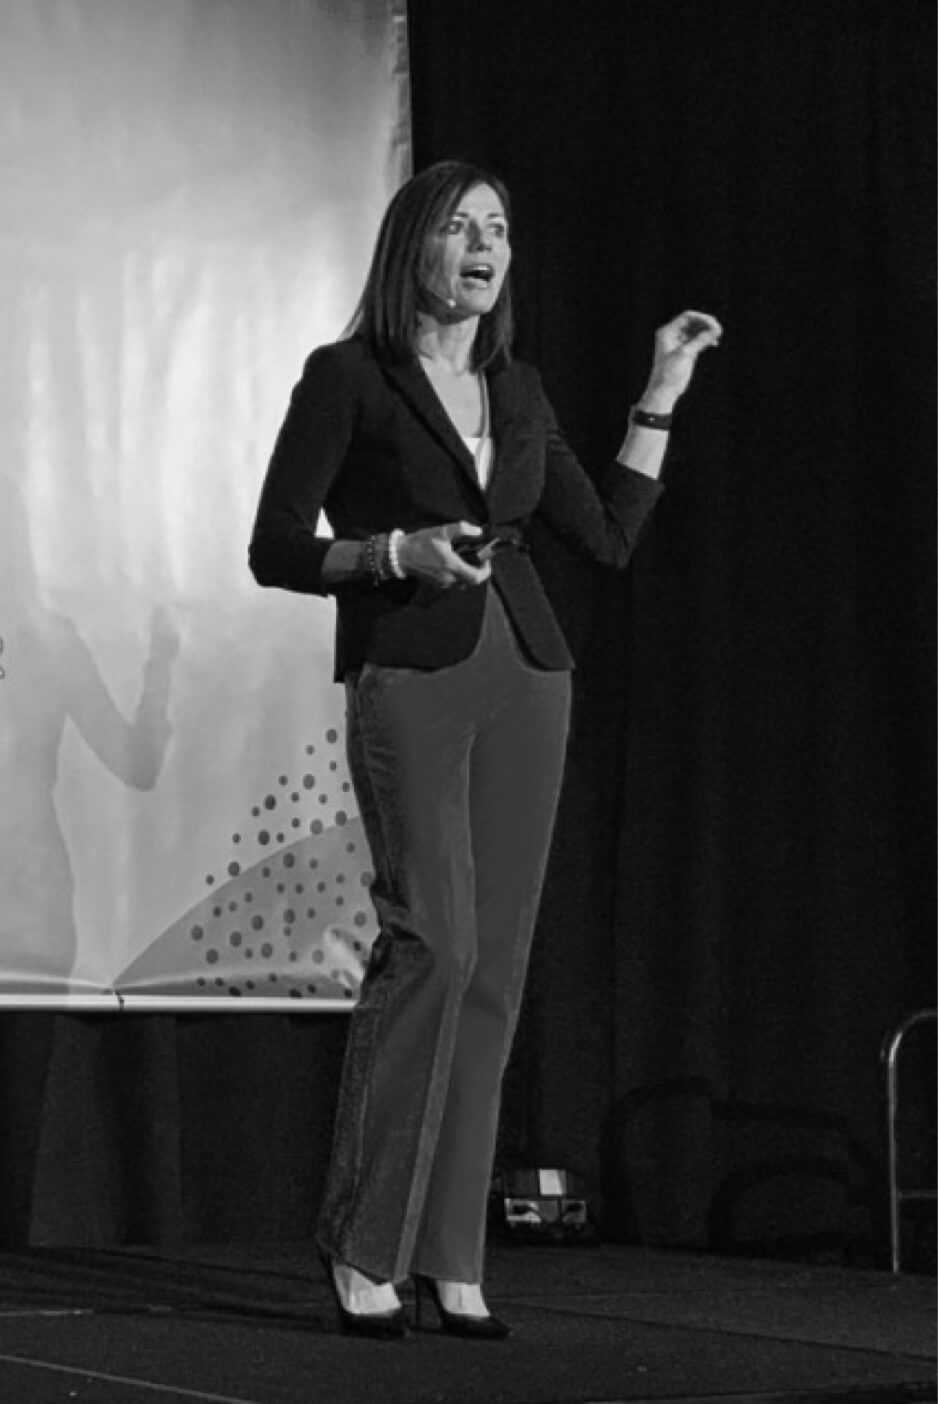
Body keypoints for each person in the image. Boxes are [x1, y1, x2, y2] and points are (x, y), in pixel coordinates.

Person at [249, 159, 721, 1339]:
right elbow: (272, 547)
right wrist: (391, 556)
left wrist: (659, 390)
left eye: (499, 230)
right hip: (411, 672)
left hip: (527, 675)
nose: (483, 245)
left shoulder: (518, 390)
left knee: (498, 972)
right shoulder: (348, 377)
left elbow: (604, 535)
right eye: (460, 226)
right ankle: (365, 1247)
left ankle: (455, 1259)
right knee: (435, 946)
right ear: (412, 243)